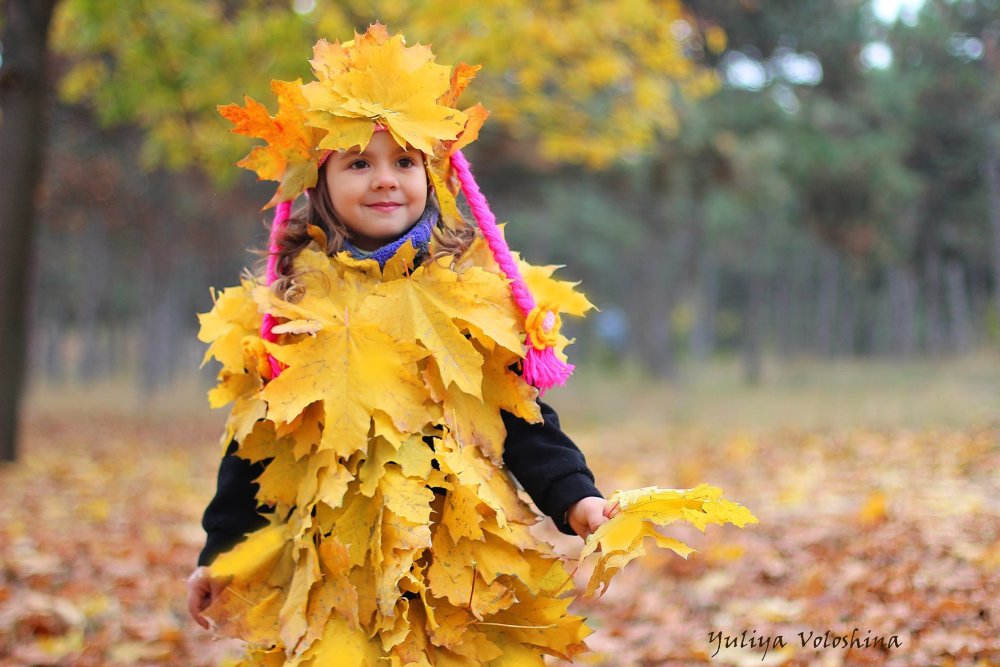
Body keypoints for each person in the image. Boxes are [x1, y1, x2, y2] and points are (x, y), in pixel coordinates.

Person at [186, 24, 613, 664]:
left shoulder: (472, 300)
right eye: (359, 162)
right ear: (318, 180)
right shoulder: (289, 312)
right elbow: (255, 453)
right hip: (338, 567)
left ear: (432, 174)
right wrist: (224, 554)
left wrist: (575, 497)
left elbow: (521, 421)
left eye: (404, 161)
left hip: (457, 564)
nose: (385, 179)